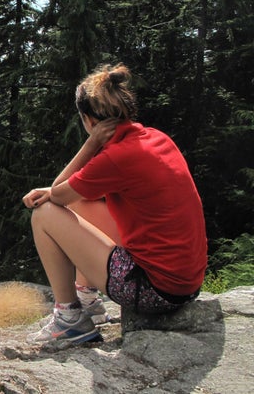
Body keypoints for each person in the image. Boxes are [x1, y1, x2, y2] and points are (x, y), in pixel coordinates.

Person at [22, 63, 207, 348]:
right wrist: (52, 191)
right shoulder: (155, 139)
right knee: (82, 203)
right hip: (185, 283)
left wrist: (90, 145)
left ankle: (70, 321)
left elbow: (58, 195)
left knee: (44, 214)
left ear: (89, 120)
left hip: (156, 290)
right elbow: (71, 193)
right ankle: (87, 301)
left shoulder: (115, 157)